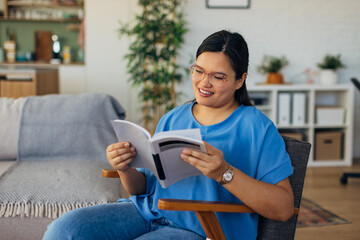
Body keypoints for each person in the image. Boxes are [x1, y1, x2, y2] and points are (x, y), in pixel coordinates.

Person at [43, 30, 294, 240]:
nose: (204, 83)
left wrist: (224, 173)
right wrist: (124, 168)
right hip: (145, 213)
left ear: (240, 80)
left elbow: (283, 209)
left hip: (198, 229)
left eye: (218, 77)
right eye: (198, 71)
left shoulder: (257, 127)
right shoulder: (174, 117)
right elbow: (141, 189)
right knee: (62, 231)